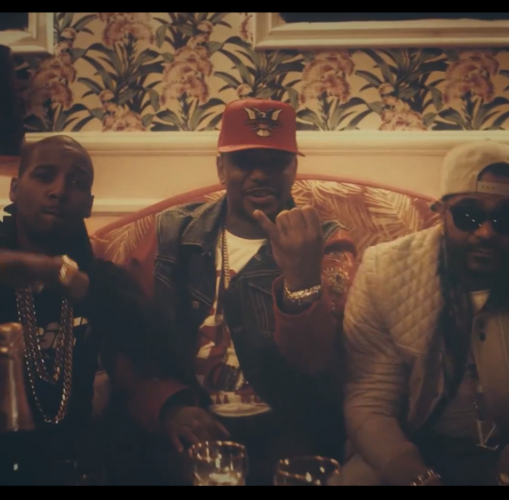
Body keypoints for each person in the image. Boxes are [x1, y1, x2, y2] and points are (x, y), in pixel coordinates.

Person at [338, 140, 509, 486]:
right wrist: (412, 474)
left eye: (507, 217)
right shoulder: (383, 271)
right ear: (441, 212)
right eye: (468, 215)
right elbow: (370, 398)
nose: (486, 232)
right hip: (413, 446)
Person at [0, 135, 163, 485]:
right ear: (14, 189)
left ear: (89, 204)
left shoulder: (99, 281)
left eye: (77, 183)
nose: (59, 191)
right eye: (44, 176)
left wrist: (55, 273)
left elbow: (153, 339)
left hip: (71, 469)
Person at [148, 98, 357, 485]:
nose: (260, 174)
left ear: (293, 168)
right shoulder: (173, 233)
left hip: (288, 431)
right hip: (194, 425)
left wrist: (302, 279)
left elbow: (320, 369)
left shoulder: (327, 242)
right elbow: (136, 342)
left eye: (275, 162)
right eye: (244, 161)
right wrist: (168, 405)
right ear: (221, 168)